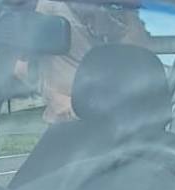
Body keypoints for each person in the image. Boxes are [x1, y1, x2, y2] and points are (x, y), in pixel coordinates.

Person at [20, 1, 160, 122]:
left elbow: (140, 56)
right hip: (68, 125)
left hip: (114, 122)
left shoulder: (106, 13)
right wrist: (53, 95)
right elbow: (20, 66)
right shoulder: (50, 9)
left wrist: (130, 11)